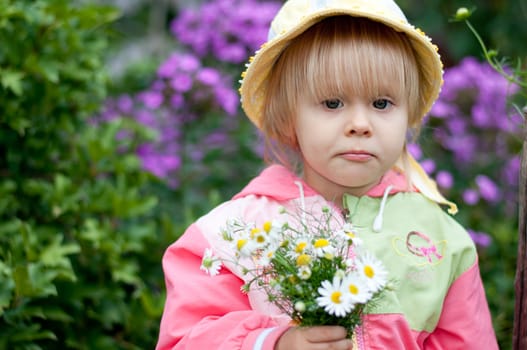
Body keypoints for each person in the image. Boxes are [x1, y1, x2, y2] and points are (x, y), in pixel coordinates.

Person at [156, 0, 499, 349]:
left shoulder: (440, 241)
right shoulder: (231, 236)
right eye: (332, 103)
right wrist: (275, 343)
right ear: (288, 116)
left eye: (382, 103)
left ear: (410, 114)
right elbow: (185, 340)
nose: (360, 125)